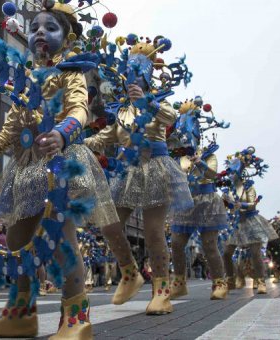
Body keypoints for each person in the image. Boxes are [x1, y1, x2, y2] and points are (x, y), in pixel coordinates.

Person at [0, 3, 118, 338]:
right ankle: (20, 314)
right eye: (35, 27)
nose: (40, 32)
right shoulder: (25, 83)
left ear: (68, 38)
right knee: (16, 241)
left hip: (61, 164)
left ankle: (76, 320)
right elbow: (7, 133)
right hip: (26, 170)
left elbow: (80, 111)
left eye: (50, 28)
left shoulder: (71, 73)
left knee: (61, 240)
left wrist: (61, 132)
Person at [85, 36, 193, 314]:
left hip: (157, 168)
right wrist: (69, 140)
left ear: (146, 79)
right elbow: (103, 137)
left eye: (137, 76)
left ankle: (161, 292)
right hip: (128, 172)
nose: (131, 81)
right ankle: (130, 273)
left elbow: (171, 118)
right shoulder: (122, 112)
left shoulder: (157, 103)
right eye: (128, 76)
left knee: (154, 231)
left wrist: (148, 103)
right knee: (108, 224)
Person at [167, 98, 230, 300]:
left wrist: (200, 163)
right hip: (185, 202)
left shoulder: (208, 153)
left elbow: (213, 175)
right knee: (176, 243)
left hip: (206, 201)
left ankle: (219, 283)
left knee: (209, 244)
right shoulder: (178, 155)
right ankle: (179, 282)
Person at [222, 147, 278, 294]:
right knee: (227, 252)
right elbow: (227, 206)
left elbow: (253, 204)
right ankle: (230, 279)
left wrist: (243, 205)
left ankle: (260, 282)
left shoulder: (249, 187)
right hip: (236, 224)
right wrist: (225, 203)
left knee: (255, 253)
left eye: (235, 172)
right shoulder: (228, 190)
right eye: (231, 173)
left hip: (251, 221)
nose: (232, 175)